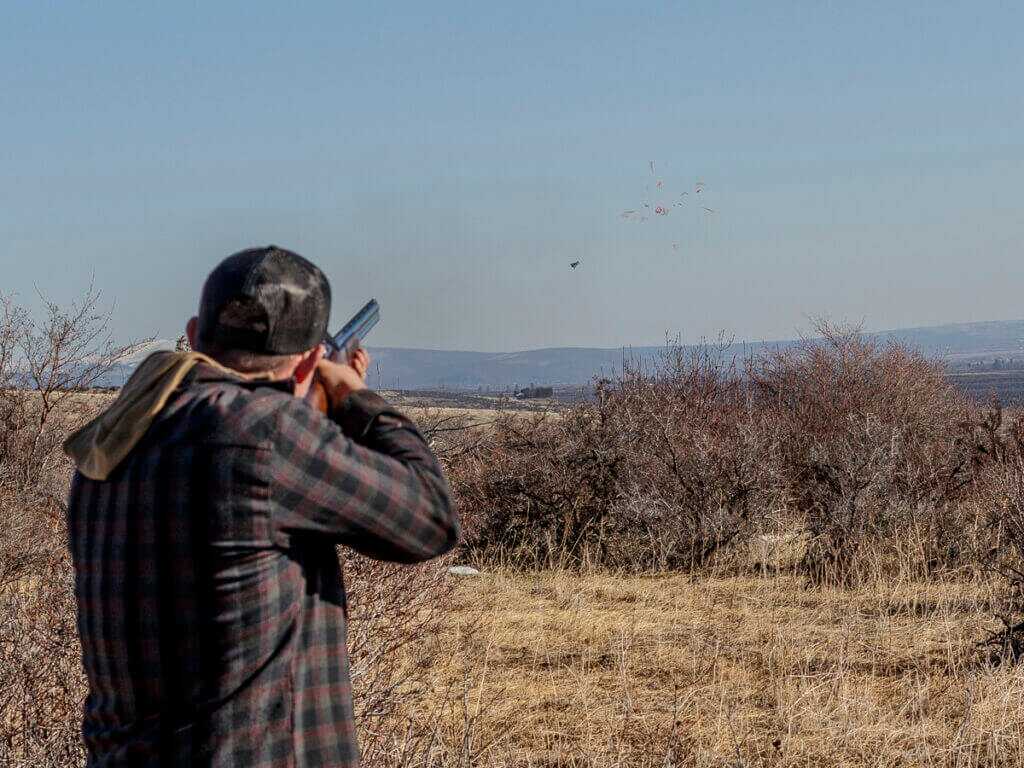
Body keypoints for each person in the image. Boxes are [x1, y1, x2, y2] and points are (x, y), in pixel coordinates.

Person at [63, 246, 459, 767]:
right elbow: (431, 518)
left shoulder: (111, 444)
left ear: (193, 334)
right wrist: (355, 397)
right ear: (312, 359)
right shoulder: (267, 435)